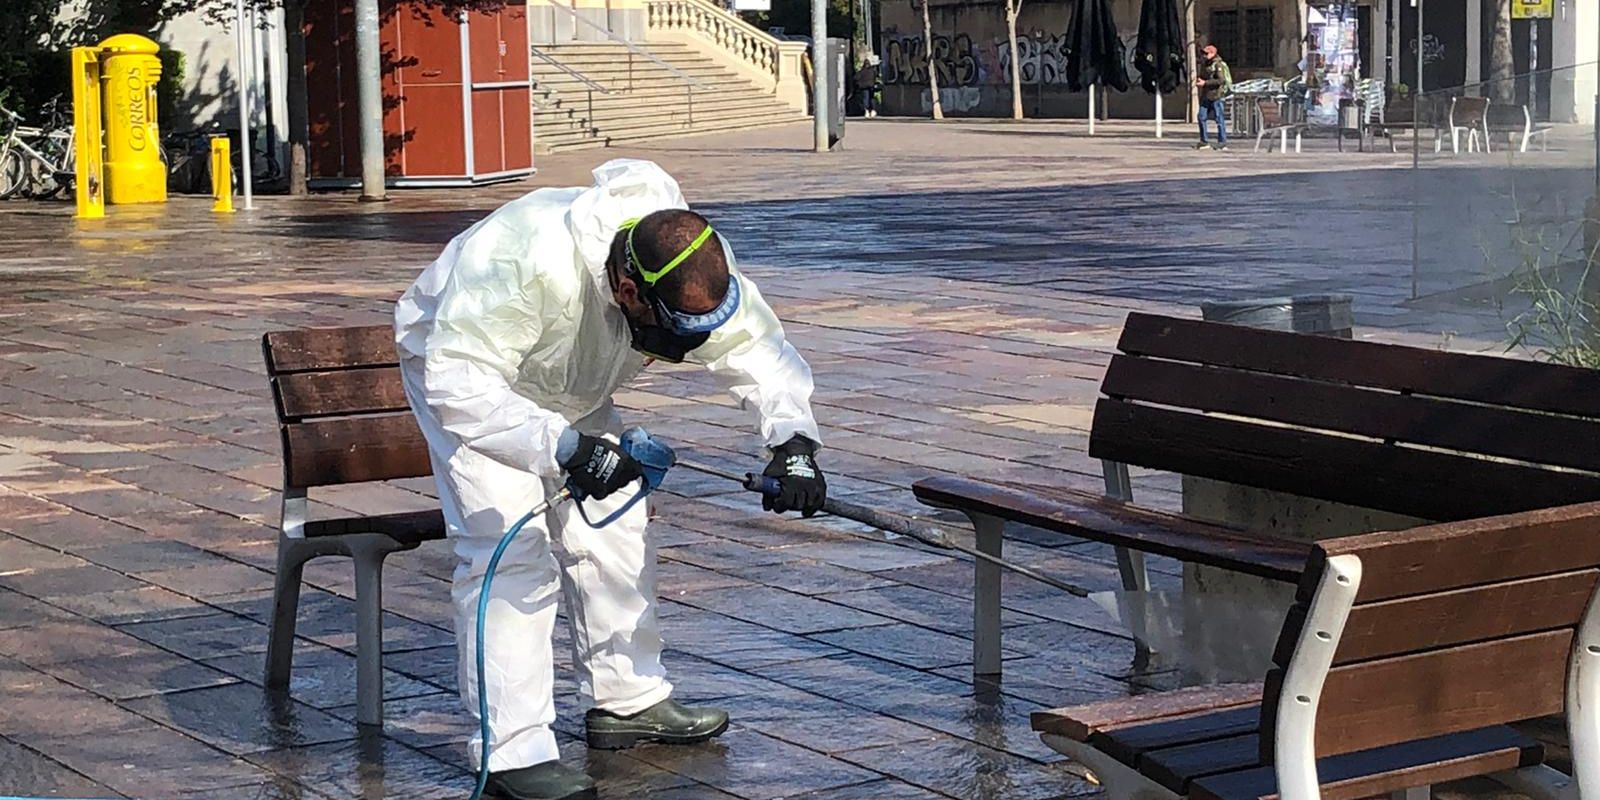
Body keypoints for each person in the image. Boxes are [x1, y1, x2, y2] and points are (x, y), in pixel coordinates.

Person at [394, 159, 827, 800]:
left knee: (616, 527)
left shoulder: (692, 256)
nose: (682, 350)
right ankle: (513, 753)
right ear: (628, 291)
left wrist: (792, 442)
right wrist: (564, 448)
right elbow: (461, 385)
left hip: (573, 379)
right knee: (512, 553)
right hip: (474, 376)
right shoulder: (521, 257)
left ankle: (628, 698)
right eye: (672, 334)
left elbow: (754, 348)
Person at [1194, 44, 1233, 150]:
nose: (1204, 55)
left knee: (1219, 119)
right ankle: (1204, 141)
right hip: (1206, 96)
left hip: (1216, 96)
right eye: (1203, 53)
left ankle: (1222, 142)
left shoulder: (1218, 65)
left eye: (1206, 53)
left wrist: (1205, 83)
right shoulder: (1205, 64)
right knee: (1201, 117)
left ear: (1213, 53)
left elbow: (1221, 80)